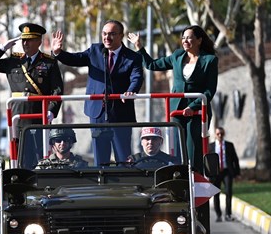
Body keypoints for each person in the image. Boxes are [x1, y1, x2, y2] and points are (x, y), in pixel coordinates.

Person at [128, 25, 218, 172]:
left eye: (189, 37)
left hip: (197, 112)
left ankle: (194, 180)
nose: (185, 41)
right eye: (183, 38)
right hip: (176, 111)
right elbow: (152, 65)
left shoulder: (210, 60)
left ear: (199, 40)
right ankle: (178, 179)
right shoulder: (177, 56)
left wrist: (193, 106)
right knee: (177, 149)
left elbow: (209, 90)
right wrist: (139, 46)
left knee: (193, 148)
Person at [52, 20, 143, 163]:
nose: (107, 37)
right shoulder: (95, 50)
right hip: (97, 112)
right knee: (100, 159)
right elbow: (75, 59)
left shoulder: (133, 57)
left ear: (121, 36)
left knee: (123, 158)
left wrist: (131, 91)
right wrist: (58, 52)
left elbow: (136, 77)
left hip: (121, 113)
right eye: (105, 34)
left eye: (112, 34)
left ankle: (124, 184)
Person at [0, 22, 63, 122]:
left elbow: (57, 90)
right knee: (16, 138)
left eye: (29, 40)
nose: (25, 43)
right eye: (24, 40)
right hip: (17, 114)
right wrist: (2, 48)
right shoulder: (13, 61)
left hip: (39, 114)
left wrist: (51, 111)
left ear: (39, 41)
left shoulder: (49, 63)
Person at [209, 127, 240, 222]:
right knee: (216, 193)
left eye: (221, 134)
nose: (220, 136)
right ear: (215, 134)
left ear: (224, 134)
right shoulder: (211, 146)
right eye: (218, 134)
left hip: (227, 171)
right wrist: (209, 174)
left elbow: (235, 159)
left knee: (228, 192)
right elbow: (208, 161)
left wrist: (237, 173)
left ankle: (228, 214)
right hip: (216, 173)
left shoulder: (229, 145)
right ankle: (218, 215)